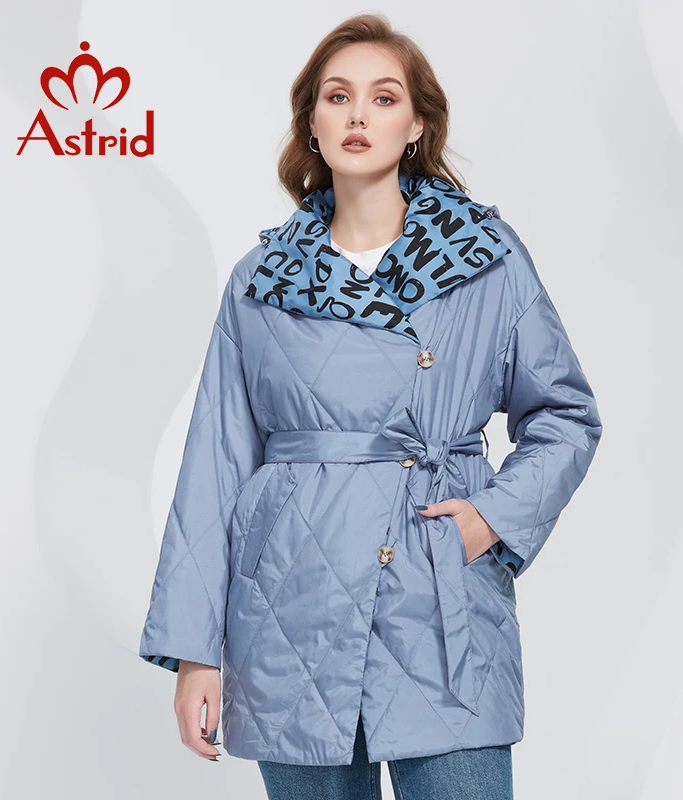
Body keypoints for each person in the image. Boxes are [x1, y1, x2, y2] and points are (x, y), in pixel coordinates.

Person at [139, 12, 603, 800]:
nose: (359, 115)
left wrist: (491, 518)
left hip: (437, 594)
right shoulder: (261, 281)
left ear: (416, 124)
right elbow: (215, 464)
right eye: (338, 97)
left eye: (384, 98)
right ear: (312, 124)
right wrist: (195, 653)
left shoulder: (484, 260)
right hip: (292, 605)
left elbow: (565, 415)